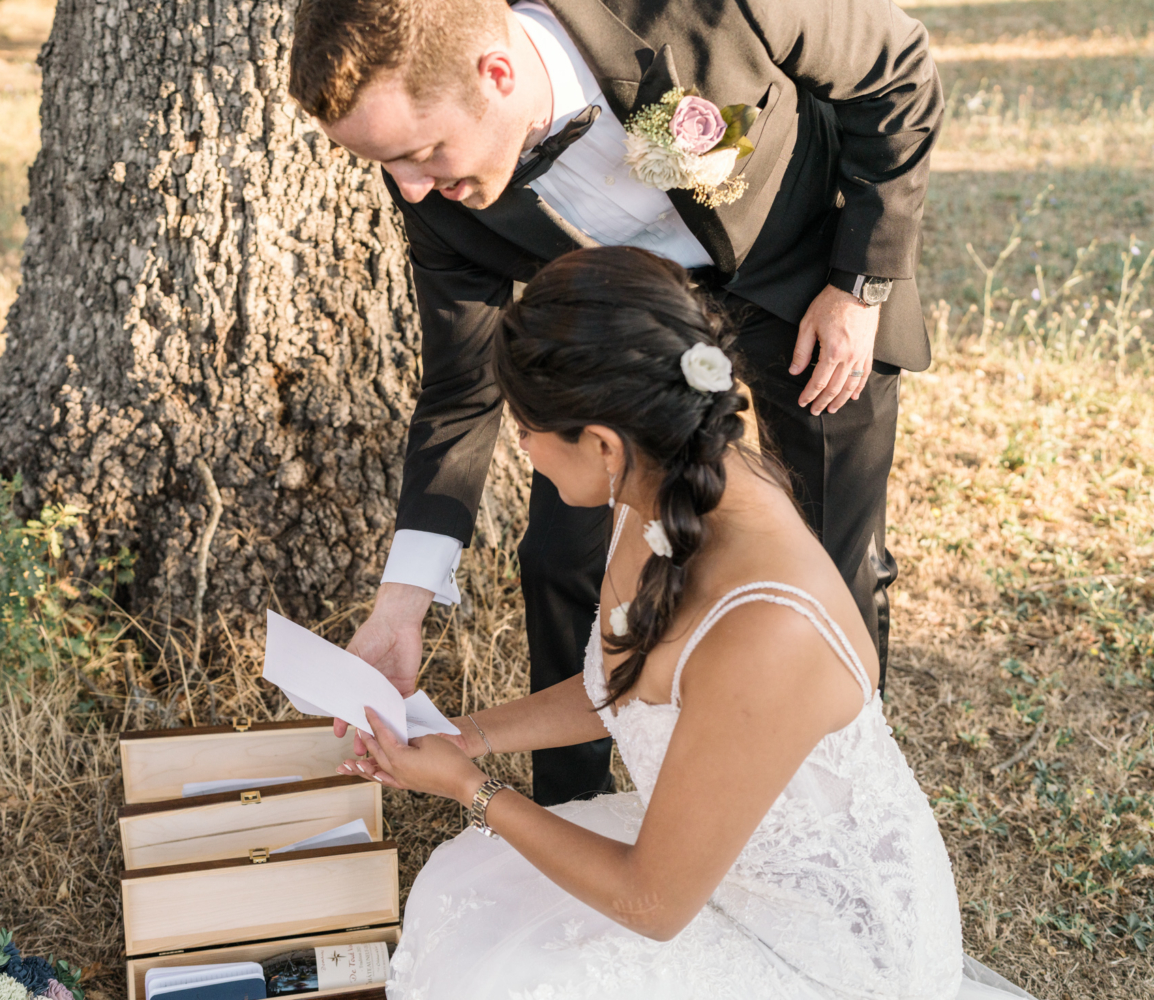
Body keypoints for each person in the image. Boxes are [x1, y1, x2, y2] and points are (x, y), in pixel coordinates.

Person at [289, 0, 941, 804]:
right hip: (627, 337)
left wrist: (859, 285)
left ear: (497, 75)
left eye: (421, 154)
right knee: (560, 558)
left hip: (804, 279)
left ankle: (842, 799)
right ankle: (575, 804)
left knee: (836, 557)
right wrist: (400, 605)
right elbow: (461, 389)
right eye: (385, 166)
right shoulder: (432, 191)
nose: (412, 192)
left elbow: (898, 68)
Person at [336, 247, 1033, 1000]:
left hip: (823, 949)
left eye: (525, 431)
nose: (524, 451)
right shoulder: (660, 490)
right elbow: (627, 686)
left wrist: (472, 790)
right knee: (468, 889)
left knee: (531, 980)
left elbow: (653, 905)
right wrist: (469, 736)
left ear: (602, 444)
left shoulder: (768, 627)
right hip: (715, 866)